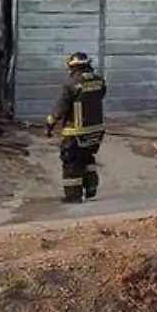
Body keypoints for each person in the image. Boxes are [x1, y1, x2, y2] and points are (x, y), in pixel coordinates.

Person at [47, 52, 107, 204]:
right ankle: (91, 188)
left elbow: (62, 107)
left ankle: (73, 196)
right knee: (88, 158)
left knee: (71, 161)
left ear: (73, 66)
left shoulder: (72, 83)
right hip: (96, 128)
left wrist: (51, 121)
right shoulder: (99, 80)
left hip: (76, 130)